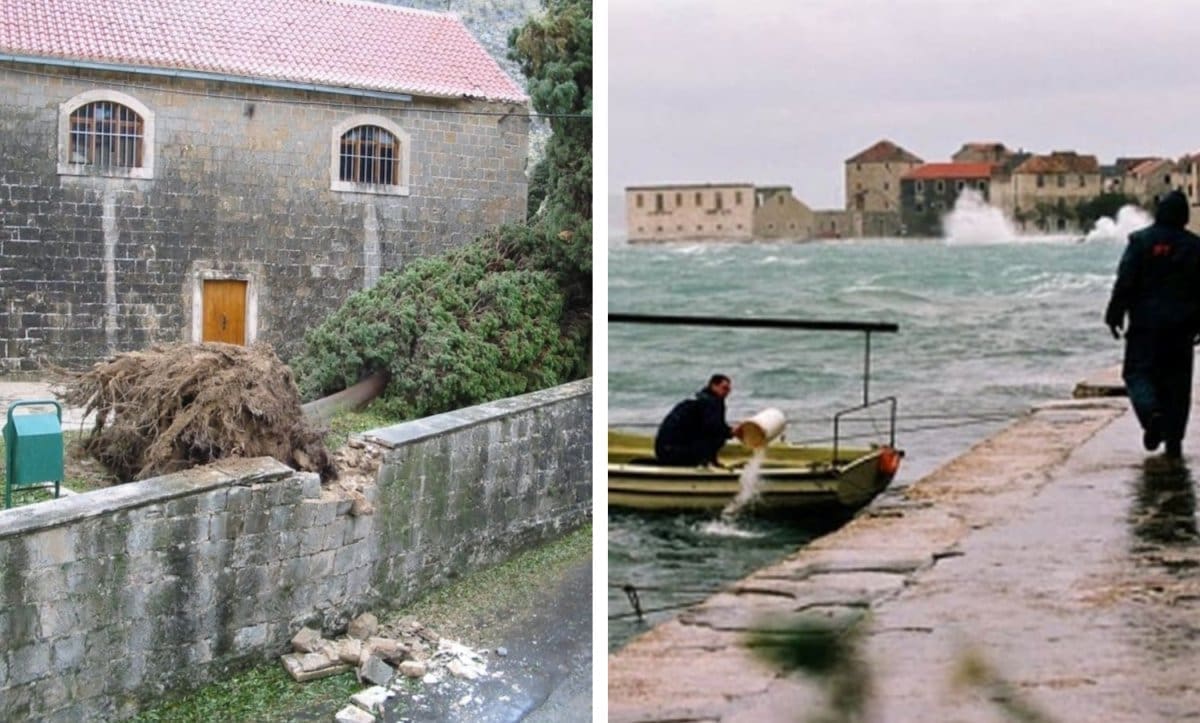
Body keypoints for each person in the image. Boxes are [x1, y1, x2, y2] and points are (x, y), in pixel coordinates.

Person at [1104, 189, 1200, 459]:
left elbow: (1126, 280)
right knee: (1177, 385)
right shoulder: (1195, 246)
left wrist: (1114, 314)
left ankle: (1151, 415)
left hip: (1145, 325)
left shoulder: (1141, 241)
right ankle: (1174, 441)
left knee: (1137, 374)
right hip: (1182, 328)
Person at [654, 374, 744, 466]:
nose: (727, 392)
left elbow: (714, 425)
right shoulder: (709, 402)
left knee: (712, 436)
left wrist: (729, 431)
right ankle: (706, 462)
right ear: (713, 386)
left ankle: (707, 461)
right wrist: (731, 432)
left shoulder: (704, 399)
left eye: (728, 390)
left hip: (664, 450)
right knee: (717, 438)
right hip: (671, 451)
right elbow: (713, 428)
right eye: (724, 388)